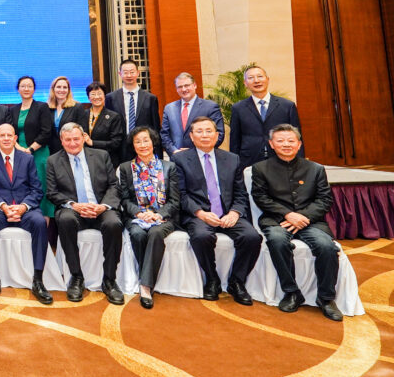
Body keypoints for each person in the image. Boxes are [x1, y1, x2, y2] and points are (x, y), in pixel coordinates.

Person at [252, 125, 342, 321]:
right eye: (280, 141)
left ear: (299, 144)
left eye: (291, 141)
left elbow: (325, 199)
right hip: (277, 220)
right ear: (271, 144)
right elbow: (261, 198)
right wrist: (288, 214)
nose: (286, 144)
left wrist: (303, 217)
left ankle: (326, 298)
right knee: (277, 241)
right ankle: (292, 292)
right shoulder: (260, 168)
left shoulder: (316, 169)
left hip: (311, 221)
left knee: (327, 247)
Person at [174, 116, 261, 305]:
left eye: (209, 131)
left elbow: (240, 193)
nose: (205, 135)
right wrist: (200, 213)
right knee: (202, 236)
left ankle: (237, 282)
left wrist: (235, 213)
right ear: (191, 136)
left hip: (228, 213)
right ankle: (212, 279)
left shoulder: (232, 159)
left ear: (217, 135)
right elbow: (180, 194)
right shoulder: (180, 159)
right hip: (199, 214)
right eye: (199, 131)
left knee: (252, 237)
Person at [46, 122, 124, 305]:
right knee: (65, 220)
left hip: (100, 208)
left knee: (113, 223)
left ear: (83, 138)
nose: (72, 143)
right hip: (73, 209)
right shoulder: (53, 161)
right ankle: (76, 277)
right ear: (61, 141)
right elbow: (52, 192)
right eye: (68, 140)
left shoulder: (101, 155)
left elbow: (114, 185)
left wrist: (103, 206)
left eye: (76, 139)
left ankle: (109, 279)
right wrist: (74, 205)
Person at [0, 123, 52, 305]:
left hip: (24, 209)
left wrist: (23, 207)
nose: (6, 138)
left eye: (9, 135)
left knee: (40, 222)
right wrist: (4, 206)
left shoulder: (27, 159)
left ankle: (38, 279)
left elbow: (36, 190)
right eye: (2, 135)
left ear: (15, 138)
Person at [117, 127, 179, 309]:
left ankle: (145, 285)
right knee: (137, 234)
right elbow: (124, 199)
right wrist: (139, 213)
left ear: (153, 142)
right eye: (138, 141)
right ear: (133, 145)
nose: (142, 145)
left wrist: (158, 214)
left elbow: (175, 200)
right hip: (137, 216)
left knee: (155, 233)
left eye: (146, 140)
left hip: (163, 216)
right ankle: (148, 276)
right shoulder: (126, 168)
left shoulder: (169, 167)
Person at [230, 65, 303, 169]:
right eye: (251, 78)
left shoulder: (287, 106)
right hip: (249, 161)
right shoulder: (238, 108)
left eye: (260, 76)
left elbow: (297, 136)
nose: (256, 81)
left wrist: (299, 164)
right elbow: (235, 140)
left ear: (267, 79)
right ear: (245, 83)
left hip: (281, 159)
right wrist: (235, 166)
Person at [8, 76, 54, 218]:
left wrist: (30, 149)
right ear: (18, 89)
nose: (26, 89)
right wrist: (18, 147)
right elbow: (10, 131)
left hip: (38, 153)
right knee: (21, 185)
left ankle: (44, 222)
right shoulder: (13, 109)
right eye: (23, 86)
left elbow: (46, 131)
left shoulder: (41, 107)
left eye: (29, 86)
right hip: (17, 153)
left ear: (34, 89)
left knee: (40, 185)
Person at [105, 59, 162, 161]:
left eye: (132, 72)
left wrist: (158, 153)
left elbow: (155, 127)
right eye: (125, 72)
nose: (129, 75)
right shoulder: (111, 98)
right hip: (120, 148)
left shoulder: (150, 98)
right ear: (120, 74)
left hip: (144, 147)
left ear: (138, 73)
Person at [161, 72, 224, 158]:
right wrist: (174, 151)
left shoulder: (210, 107)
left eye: (187, 85)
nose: (184, 89)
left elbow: (218, 134)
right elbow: (164, 134)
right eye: (180, 87)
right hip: (176, 158)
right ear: (176, 89)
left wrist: (195, 151)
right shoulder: (169, 108)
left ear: (194, 85)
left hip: (201, 158)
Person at [79, 81, 125, 168]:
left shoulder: (113, 116)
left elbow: (115, 143)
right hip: (86, 160)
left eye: (99, 93)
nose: (97, 97)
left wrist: (93, 143)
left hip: (107, 160)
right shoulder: (82, 115)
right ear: (88, 97)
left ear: (104, 96)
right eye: (93, 94)